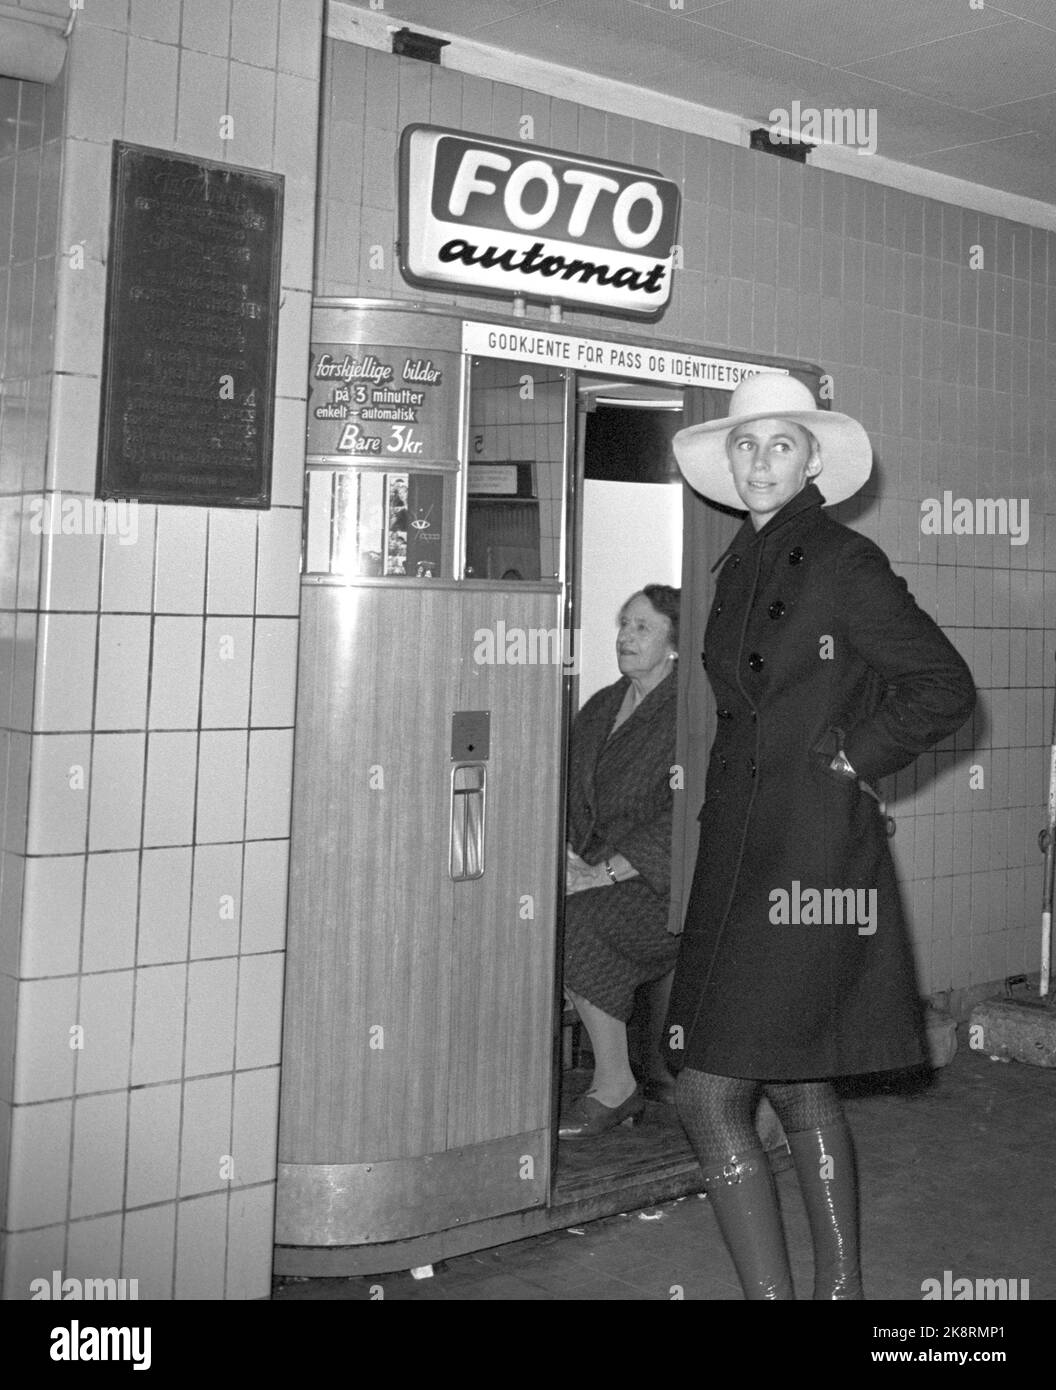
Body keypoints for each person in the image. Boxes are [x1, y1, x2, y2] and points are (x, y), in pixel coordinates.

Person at [666, 373, 975, 1298]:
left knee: (708, 1089)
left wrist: (852, 758)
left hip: (810, 853)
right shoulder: (738, 563)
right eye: (746, 445)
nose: (761, 461)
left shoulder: (842, 561)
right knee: (796, 1076)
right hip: (739, 852)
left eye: (782, 444)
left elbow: (945, 686)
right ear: (729, 461)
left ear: (813, 459)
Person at [559, 585, 682, 1139]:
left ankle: (616, 1087)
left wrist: (603, 873)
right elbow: (564, 784)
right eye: (623, 625)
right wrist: (561, 853)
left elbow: (688, 818)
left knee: (578, 924)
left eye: (642, 628)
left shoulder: (692, 713)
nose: (625, 638)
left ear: (674, 644)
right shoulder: (604, 705)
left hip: (665, 886)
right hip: (591, 867)